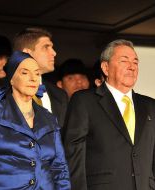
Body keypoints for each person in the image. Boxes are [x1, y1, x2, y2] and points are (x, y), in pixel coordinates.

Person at [0, 51, 71, 190]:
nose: (33, 78)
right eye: (25, 73)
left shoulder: (49, 119)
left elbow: (60, 168)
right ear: (11, 79)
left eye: (36, 73)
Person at [63, 39, 155, 190]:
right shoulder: (84, 101)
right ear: (106, 68)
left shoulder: (150, 105)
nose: (131, 67)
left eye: (135, 62)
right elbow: (73, 156)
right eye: (124, 61)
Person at [13, 27, 68, 128]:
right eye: (46, 47)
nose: (54, 53)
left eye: (52, 47)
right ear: (27, 53)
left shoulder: (60, 95)